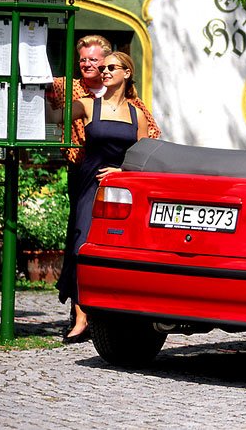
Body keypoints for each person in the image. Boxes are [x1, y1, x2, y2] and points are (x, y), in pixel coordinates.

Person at [47, 36, 160, 342]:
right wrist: (38, 87)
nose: (103, 71)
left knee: (117, 244)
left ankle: (114, 311)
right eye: (102, 67)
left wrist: (123, 171)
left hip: (120, 187)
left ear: (127, 73)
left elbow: (145, 151)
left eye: (110, 67)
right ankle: (81, 317)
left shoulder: (137, 113)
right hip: (89, 181)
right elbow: (52, 116)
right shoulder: (86, 104)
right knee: (82, 241)